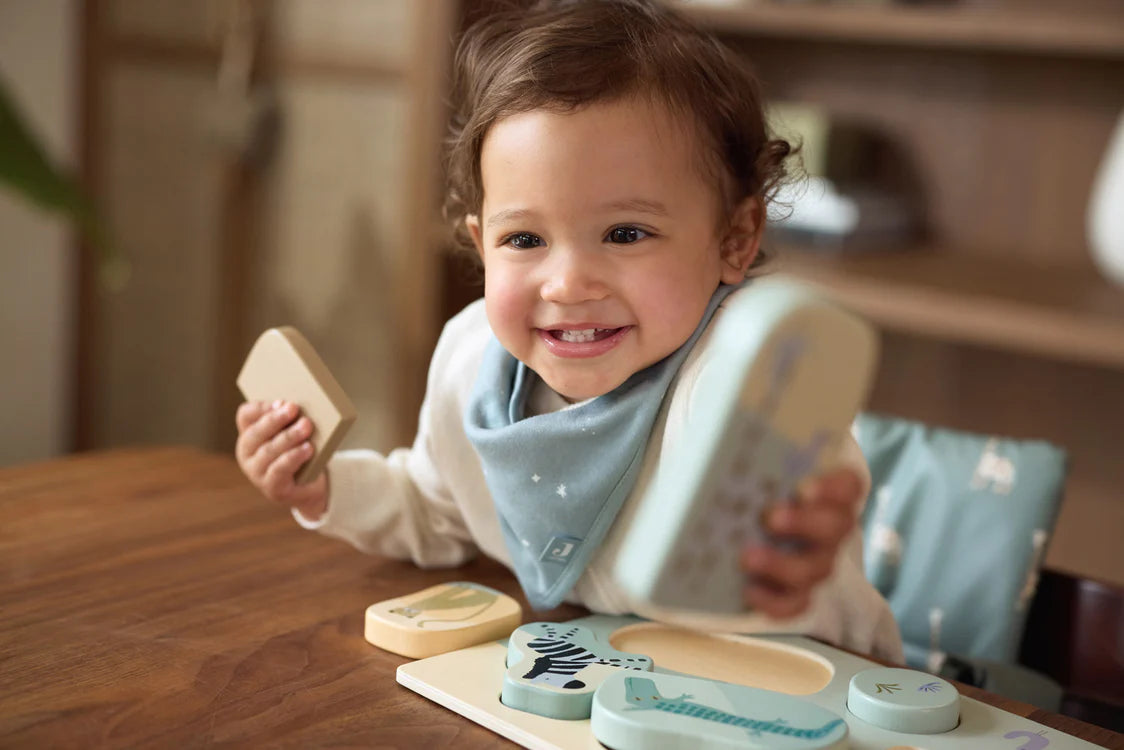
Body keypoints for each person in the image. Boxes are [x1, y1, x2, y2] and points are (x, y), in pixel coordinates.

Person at [235, 0, 902, 660]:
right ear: (481, 241)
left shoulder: (739, 387)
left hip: (793, 685)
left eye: (625, 233)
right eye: (525, 238)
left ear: (734, 239)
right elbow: (438, 510)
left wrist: (792, 547)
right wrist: (323, 489)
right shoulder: (473, 361)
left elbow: (811, 595)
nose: (568, 284)